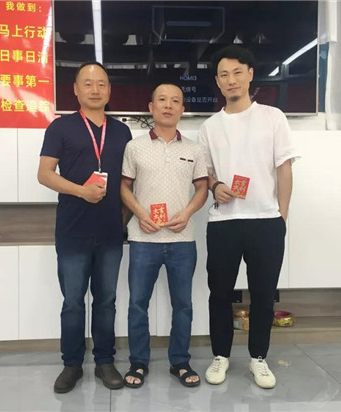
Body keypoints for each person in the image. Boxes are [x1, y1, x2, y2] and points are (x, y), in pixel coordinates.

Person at [197, 45, 299, 389]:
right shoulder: (210, 126)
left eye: (238, 72)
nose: (231, 80)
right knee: (219, 293)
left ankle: (259, 358)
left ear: (250, 75)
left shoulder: (273, 117)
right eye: (224, 75)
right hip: (223, 223)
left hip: (266, 222)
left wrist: (281, 217)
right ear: (217, 81)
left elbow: (284, 168)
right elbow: (205, 173)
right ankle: (220, 356)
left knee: (263, 293)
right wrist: (216, 186)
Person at [38, 61, 132, 393]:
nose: (95, 89)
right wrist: (81, 191)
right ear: (76, 90)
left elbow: (128, 181)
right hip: (73, 231)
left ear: (109, 90)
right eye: (88, 83)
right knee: (74, 302)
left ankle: (105, 361)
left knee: (106, 300)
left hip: (110, 233)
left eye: (102, 83)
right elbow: (44, 174)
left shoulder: (122, 131)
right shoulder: (60, 128)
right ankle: (72, 364)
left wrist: (124, 220)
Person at [120, 84, 208, 388]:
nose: (168, 105)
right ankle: (138, 362)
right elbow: (123, 186)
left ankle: (180, 361)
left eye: (175, 101)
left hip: (182, 240)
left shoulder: (194, 149)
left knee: (183, 304)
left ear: (183, 109)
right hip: (143, 238)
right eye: (162, 100)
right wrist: (140, 214)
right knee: (137, 304)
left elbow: (202, 188)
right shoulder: (134, 147)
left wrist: (188, 212)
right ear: (151, 107)